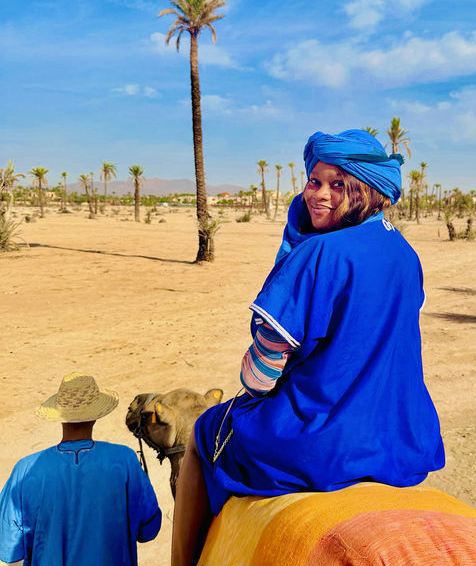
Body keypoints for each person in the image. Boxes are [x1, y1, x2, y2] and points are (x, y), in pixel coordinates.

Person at [172, 129, 445, 565]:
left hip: (320, 437)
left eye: (339, 185)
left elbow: (259, 377)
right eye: (314, 181)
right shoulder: (404, 252)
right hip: (399, 433)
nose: (319, 195)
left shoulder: (321, 253)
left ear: (369, 190)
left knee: (204, 432)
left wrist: (252, 375)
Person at [0, 373, 162, 566]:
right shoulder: (124, 460)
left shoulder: (25, 469)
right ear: (95, 417)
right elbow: (148, 530)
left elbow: (9, 549)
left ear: (61, 417)